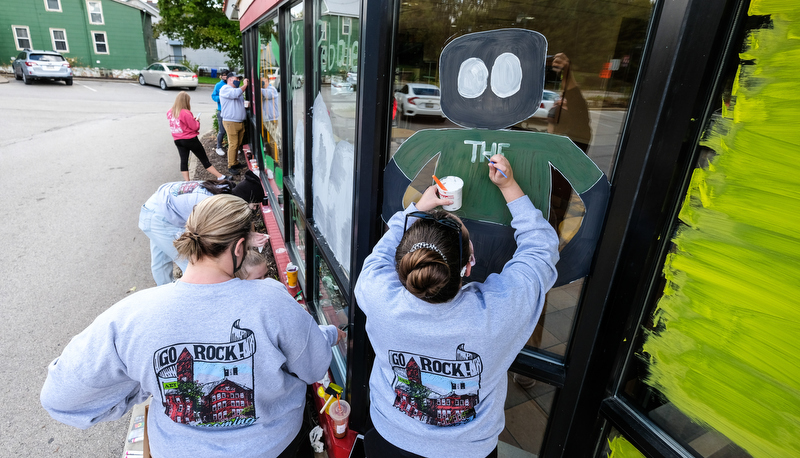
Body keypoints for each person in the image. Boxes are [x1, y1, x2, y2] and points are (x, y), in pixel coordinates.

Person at [42, 194, 346, 458]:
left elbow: (60, 397)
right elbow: (313, 366)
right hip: (275, 449)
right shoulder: (271, 300)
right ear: (239, 248)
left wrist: (143, 386)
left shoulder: (132, 316)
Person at [354, 155, 559, 458]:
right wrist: (510, 187)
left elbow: (380, 253)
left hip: (390, 437)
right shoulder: (497, 312)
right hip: (468, 450)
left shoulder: (375, 293)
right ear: (469, 266)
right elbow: (540, 247)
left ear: (405, 264)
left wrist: (417, 208)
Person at [138, 171, 266, 286]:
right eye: (254, 205)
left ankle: (165, 295)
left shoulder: (224, 190)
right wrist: (247, 239)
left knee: (160, 261)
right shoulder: (216, 206)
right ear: (243, 200)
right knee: (192, 264)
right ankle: (189, 295)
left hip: (157, 204)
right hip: (159, 216)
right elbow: (215, 235)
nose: (255, 209)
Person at [167, 91, 229, 182]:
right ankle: (220, 176)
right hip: (190, 139)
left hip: (177, 140)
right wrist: (197, 120)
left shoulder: (170, 112)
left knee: (184, 161)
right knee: (204, 159)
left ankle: (187, 182)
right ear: (186, 101)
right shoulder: (185, 112)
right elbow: (195, 127)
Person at [220, 72, 250, 172]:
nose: (238, 81)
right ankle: (231, 166)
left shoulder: (235, 90)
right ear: (229, 79)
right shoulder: (225, 89)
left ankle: (235, 162)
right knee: (233, 144)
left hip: (239, 121)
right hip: (230, 121)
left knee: (238, 144)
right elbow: (235, 94)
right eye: (236, 79)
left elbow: (238, 100)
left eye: (239, 79)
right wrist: (245, 85)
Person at [211, 69, 229, 157]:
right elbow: (213, 96)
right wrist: (222, 98)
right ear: (221, 76)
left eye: (227, 75)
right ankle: (218, 147)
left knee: (231, 131)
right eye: (223, 75)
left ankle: (232, 148)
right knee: (222, 131)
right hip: (222, 110)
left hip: (231, 111)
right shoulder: (218, 85)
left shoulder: (232, 84)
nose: (225, 77)